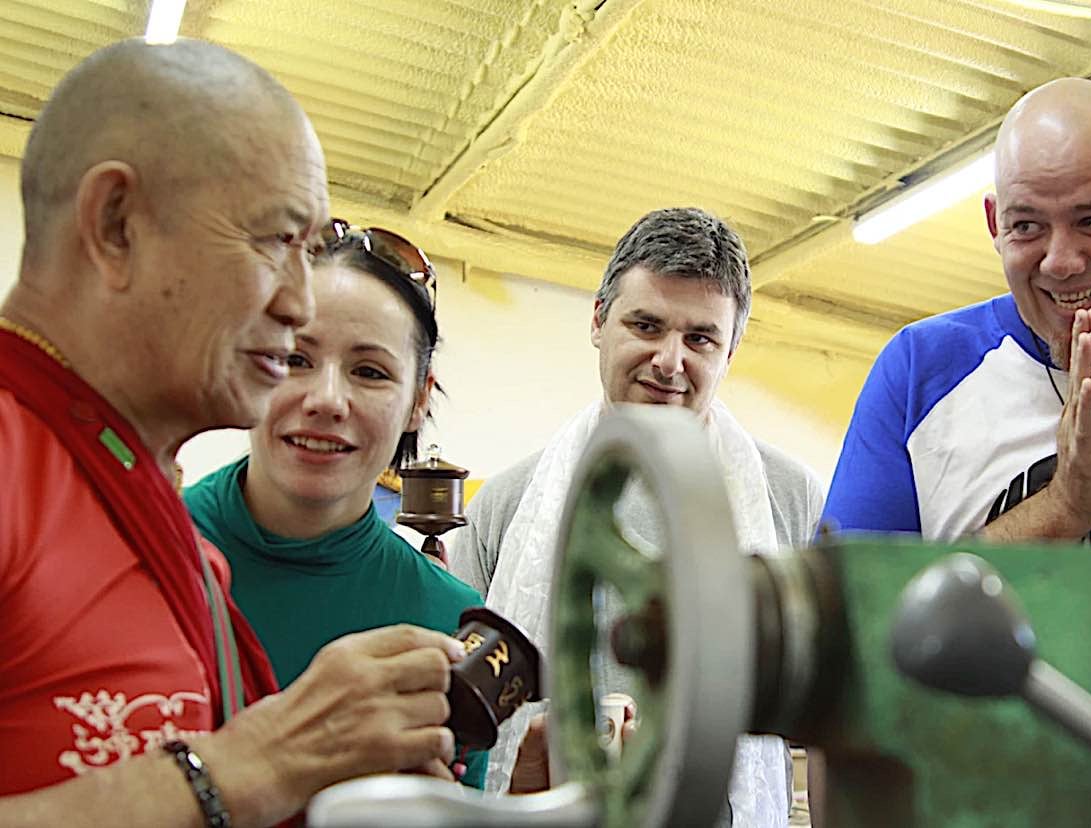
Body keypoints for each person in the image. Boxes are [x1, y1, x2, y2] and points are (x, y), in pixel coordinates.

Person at [0, 39, 464, 827]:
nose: (295, 302)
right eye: (274, 242)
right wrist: (257, 762)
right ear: (116, 224)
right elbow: (229, 781)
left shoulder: (180, 545)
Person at [449, 207, 825, 825]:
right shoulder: (509, 504)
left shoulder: (792, 498)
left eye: (700, 338)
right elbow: (468, 711)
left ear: (732, 348)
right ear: (599, 322)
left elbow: (817, 699)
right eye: (646, 325)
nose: (670, 362)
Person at [821, 77, 1091, 543]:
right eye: (1027, 225)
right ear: (995, 226)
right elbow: (857, 599)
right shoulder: (919, 370)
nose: (1061, 261)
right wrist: (1061, 507)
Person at [184, 220, 488, 787]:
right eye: (297, 359)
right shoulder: (141, 546)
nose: (326, 400)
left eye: (369, 372)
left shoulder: (448, 622)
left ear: (418, 400)